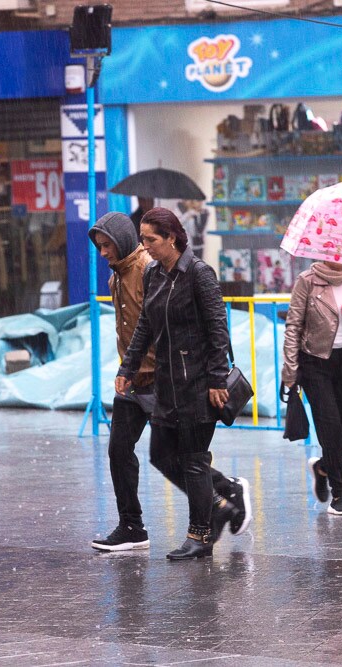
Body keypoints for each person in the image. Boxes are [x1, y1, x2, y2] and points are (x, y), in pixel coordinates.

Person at [91, 211, 250, 554]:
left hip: (195, 381)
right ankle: (218, 505)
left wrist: (217, 377)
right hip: (166, 382)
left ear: (172, 238)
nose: (144, 245)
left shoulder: (198, 273)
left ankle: (200, 536)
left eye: (150, 239)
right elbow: (145, 326)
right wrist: (127, 368)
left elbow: (217, 327)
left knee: (193, 459)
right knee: (162, 455)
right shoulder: (154, 274)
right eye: (143, 238)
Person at [282, 260, 342, 516]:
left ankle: (322, 467)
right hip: (314, 361)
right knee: (330, 427)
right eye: (331, 248)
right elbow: (293, 326)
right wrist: (290, 370)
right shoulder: (307, 281)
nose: (339, 253)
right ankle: (340, 495)